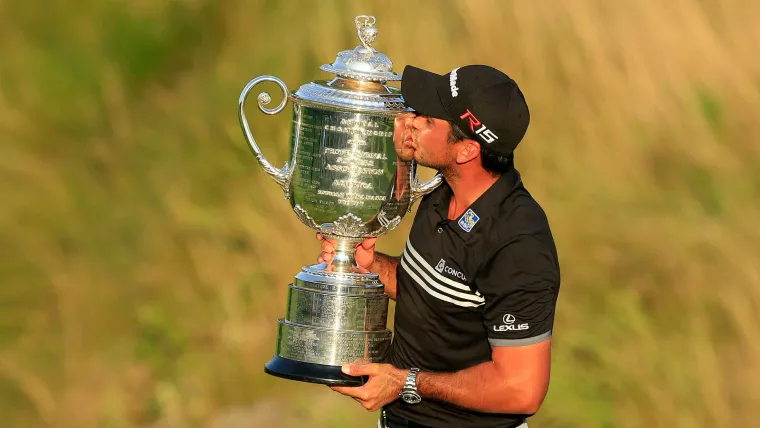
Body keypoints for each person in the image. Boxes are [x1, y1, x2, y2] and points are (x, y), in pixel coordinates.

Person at [318, 64, 561, 428]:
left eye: (427, 119)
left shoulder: (518, 243)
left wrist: (405, 383)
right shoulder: (441, 193)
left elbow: (521, 389)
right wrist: (372, 266)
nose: (411, 120)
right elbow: (443, 297)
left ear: (465, 150)